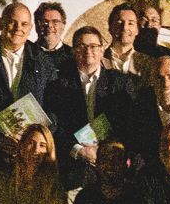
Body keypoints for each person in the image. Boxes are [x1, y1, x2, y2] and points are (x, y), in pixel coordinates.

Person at [0, 2, 58, 183]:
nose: (17, 29)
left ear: (31, 28)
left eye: (24, 24)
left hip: (32, 159)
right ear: (0, 23)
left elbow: (54, 106)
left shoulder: (43, 61)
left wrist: (36, 139)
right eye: (12, 22)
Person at [47, 25, 142, 185]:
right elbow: (55, 128)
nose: (88, 51)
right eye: (81, 46)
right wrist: (80, 151)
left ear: (102, 49)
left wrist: (107, 151)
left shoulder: (120, 82)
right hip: (74, 172)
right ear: (73, 51)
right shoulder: (57, 86)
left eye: (93, 46)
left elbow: (131, 126)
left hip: (113, 171)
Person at [102, 2, 146, 76]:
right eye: (119, 22)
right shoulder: (97, 59)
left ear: (137, 30)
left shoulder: (146, 63)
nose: (125, 28)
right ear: (110, 28)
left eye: (130, 23)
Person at [34, 2, 74, 76]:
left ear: (63, 26)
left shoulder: (73, 56)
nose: (49, 26)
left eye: (55, 22)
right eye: (44, 22)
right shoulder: (26, 54)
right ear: (36, 25)